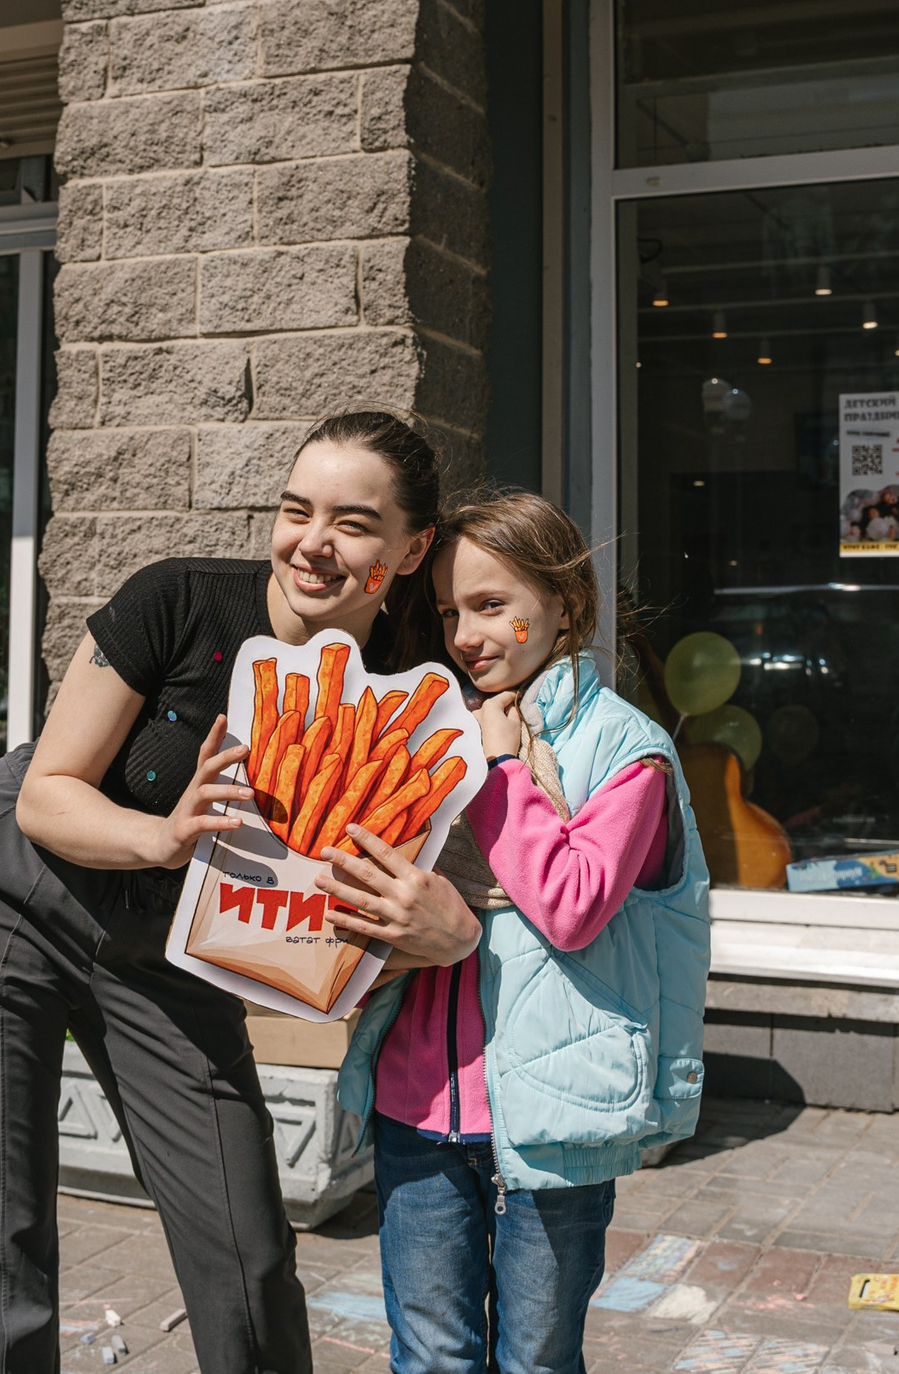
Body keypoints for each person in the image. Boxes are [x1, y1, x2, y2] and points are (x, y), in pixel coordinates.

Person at [0, 412, 485, 1374]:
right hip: (14, 897)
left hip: (173, 953)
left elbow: (371, 909)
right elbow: (49, 794)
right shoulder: (177, 599)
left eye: (352, 523)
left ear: (412, 547)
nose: (313, 543)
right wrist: (164, 836)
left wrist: (441, 933)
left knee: (246, 1254)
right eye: (296, 510)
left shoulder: (408, 694)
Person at [331, 491, 711, 1374]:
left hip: (552, 1125)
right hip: (417, 1106)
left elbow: (572, 905)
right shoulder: (431, 732)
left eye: (491, 604)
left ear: (566, 605)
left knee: (537, 1357)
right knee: (430, 1355)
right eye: (448, 612)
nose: (466, 635)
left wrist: (501, 766)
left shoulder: (625, 751)